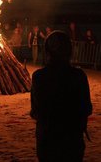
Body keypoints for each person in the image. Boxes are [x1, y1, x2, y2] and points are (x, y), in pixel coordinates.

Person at [30, 31, 92, 162]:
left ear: (47, 52)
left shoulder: (39, 77)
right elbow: (87, 108)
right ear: (69, 51)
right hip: (72, 139)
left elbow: (36, 111)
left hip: (47, 139)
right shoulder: (79, 76)